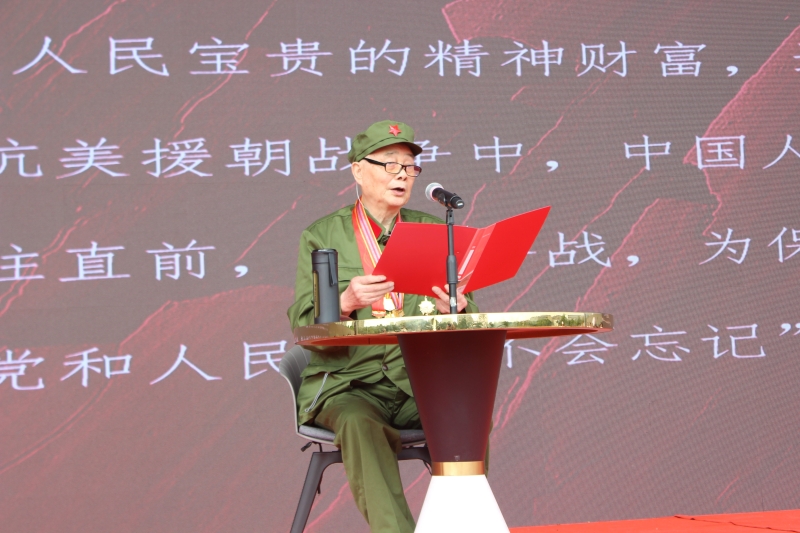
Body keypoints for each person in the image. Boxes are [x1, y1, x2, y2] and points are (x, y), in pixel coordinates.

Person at [287, 120, 478, 533]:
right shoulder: (322, 236)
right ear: (358, 170)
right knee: (359, 424)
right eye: (390, 164)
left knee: (468, 413)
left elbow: (470, 321)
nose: (402, 175)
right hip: (349, 384)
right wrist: (344, 303)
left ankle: (461, 525)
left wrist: (458, 309)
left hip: (415, 384)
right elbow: (303, 325)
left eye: (409, 167)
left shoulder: (433, 232)